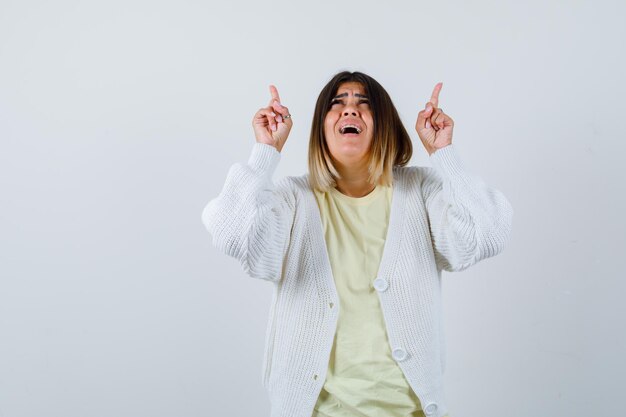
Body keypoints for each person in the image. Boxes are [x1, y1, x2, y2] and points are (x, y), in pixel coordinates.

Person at [201, 71, 513, 417]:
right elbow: (232, 233)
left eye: (364, 104)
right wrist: (265, 152)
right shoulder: (292, 199)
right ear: (321, 127)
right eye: (338, 104)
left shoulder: (421, 191)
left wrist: (444, 155)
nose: (350, 110)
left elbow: (486, 233)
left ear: (385, 126)